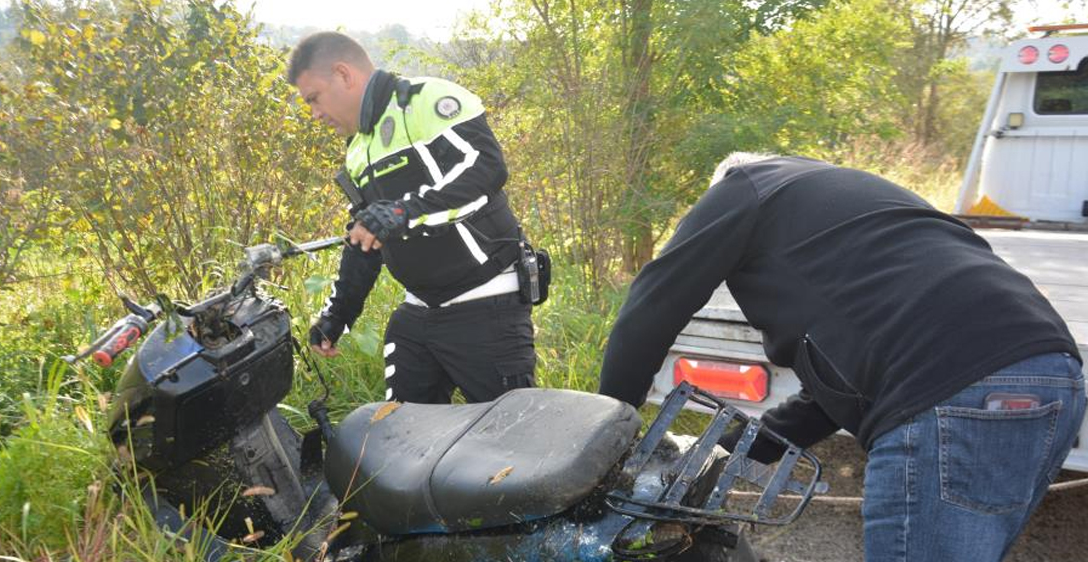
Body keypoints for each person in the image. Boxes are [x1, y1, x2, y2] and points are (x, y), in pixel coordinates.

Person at [599, 153, 1085, 562]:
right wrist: (727, 453)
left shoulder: (742, 186)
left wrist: (604, 437)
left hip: (948, 387)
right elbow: (830, 399)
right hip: (1052, 373)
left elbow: (653, 305)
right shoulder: (850, 198)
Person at [287, 32, 535, 404]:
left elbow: (486, 169)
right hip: (419, 312)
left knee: (511, 434)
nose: (315, 114)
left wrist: (402, 212)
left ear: (343, 74)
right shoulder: (357, 151)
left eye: (314, 98)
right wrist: (337, 316)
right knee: (401, 431)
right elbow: (367, 236)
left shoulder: (426, 100)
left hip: (487, 303)